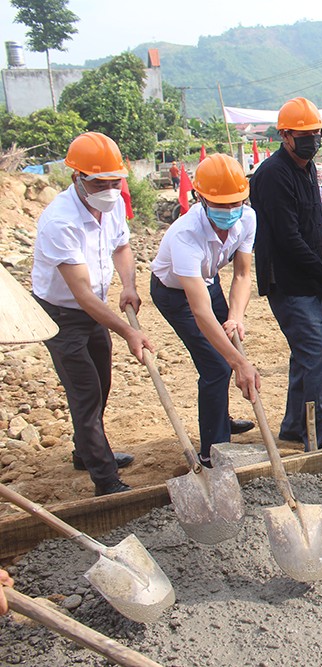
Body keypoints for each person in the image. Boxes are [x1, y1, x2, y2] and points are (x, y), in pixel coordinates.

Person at [32, 132, 152, 496]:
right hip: (61, 314)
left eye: (115, 181)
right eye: (100, 183)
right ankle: (105, 479)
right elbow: (80, 293)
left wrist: (128, 284)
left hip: (94, 309)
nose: (110, 189)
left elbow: (122, 246)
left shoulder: (111, 204)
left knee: (101, 384)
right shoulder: (60, 221)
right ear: (77, 179)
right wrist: (128, 332)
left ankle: (85, 451)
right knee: (84, 392)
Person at [149, 154, 261, 467]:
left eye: (235, 203)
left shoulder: (248, 219)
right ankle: (213, 451)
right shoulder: (186, 234)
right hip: (176, 294)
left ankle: (220, 417)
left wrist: (235, 317)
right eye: (220, 204)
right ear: (200, 198)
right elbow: (199, 311)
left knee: (228, 342)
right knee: (217, 365)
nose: (229, 211)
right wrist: (240, 362)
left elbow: (241, 275)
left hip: (207, 282)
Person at [250, 97, 322, 450]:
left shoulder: (307, 167)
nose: (313, 139)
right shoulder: (272, 176)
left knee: (304, 357)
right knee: (319, 356)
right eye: (305, 134)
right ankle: (319, 434)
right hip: (289, 282)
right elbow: (287, 238)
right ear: (285, 135)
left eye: (317, 133)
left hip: (311, 279)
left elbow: (308, 205)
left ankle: (294, 428)